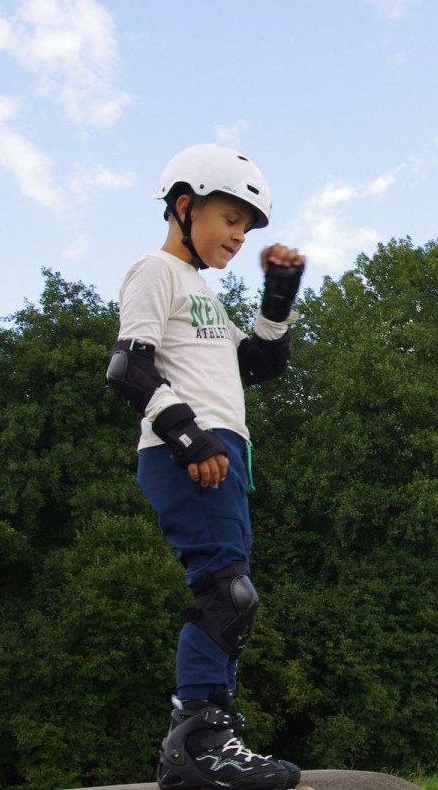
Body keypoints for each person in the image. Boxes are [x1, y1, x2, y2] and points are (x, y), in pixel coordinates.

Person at [106, 144, 306, 789]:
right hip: (188, 449)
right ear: (184, 207)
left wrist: (279, 295)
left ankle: (206, 736)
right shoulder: (156, 270)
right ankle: (199, 741)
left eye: (247, 228)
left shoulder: (204, 296)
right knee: (226, 593)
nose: (239, 237)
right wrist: (189, 437)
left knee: (231, 595)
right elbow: (129, 366)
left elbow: (258, 367)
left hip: (225, 449)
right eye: (229, 220)